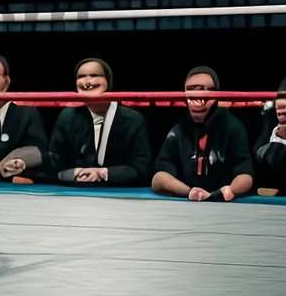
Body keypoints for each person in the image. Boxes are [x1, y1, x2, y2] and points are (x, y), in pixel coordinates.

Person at [151, 66, 253, 202]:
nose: (198, 97)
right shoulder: (178, 130)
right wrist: (190, 192)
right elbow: (159, 178)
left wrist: (228, 191)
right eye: (192, 90)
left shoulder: (233, 127)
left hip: (225, 205)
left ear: (216, 95)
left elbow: (246, 175)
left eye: (207, 91)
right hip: (187, 204)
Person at [48, 58, 151, 186]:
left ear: (107, 81)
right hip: (76, 194)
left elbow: (141, 167)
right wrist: (75, 173)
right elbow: (54, 163)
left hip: (120, 194)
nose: (87, 81)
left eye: (94, 75)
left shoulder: (132, 119)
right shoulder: (67, 117)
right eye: (81, 76)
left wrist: (103, 173)